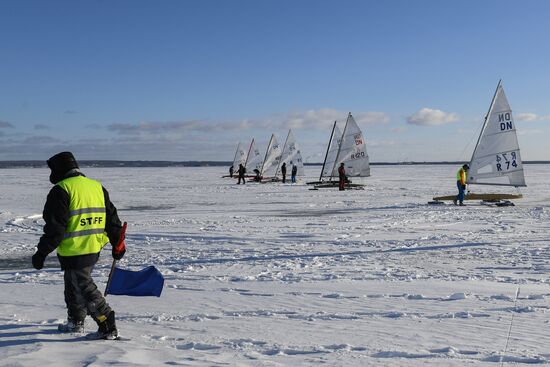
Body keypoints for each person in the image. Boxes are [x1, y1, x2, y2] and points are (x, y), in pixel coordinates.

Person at [31, 152, 124, 340]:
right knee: (72, 285)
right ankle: (75, 321)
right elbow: (112, 221)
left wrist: (41, 253)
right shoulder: (96, 187)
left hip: (75, 249)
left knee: (83, 288)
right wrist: (117, 243)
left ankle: (107, 324)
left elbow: (55, 228)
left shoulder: (62, 190)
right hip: (93, 247)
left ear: (60, 169)